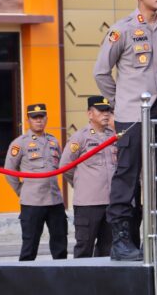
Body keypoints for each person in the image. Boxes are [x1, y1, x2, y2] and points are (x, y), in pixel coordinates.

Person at [93, 0, 157, 261]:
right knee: (127, 176)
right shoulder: (123, 29)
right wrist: (119, 102)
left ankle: (155, 238)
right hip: (132, 114)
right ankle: (121, 240)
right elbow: (101, 72)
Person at [3, 103, 68, 261]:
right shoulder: (20, 143)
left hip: (54, 200)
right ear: (28, 120)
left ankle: (61, 274)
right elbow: (9, 170)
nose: (39, 120)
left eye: (41, 117)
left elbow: (61, 165)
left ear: (46, 118)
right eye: (34, 117)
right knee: (30, 246)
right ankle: (25, 276)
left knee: (60, 245)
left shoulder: (53, 141)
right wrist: (21, 190)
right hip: (33, 202)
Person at [62, 96, 117, 258]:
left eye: (108, 111)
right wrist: (80, 183)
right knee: (84, 247)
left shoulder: (113, 136)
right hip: (88, 203)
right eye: (101, 110)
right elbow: (66, 166)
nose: (106, 114)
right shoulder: (80, 137)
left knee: (108, 248)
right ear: (90, 114)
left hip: (111, 202)